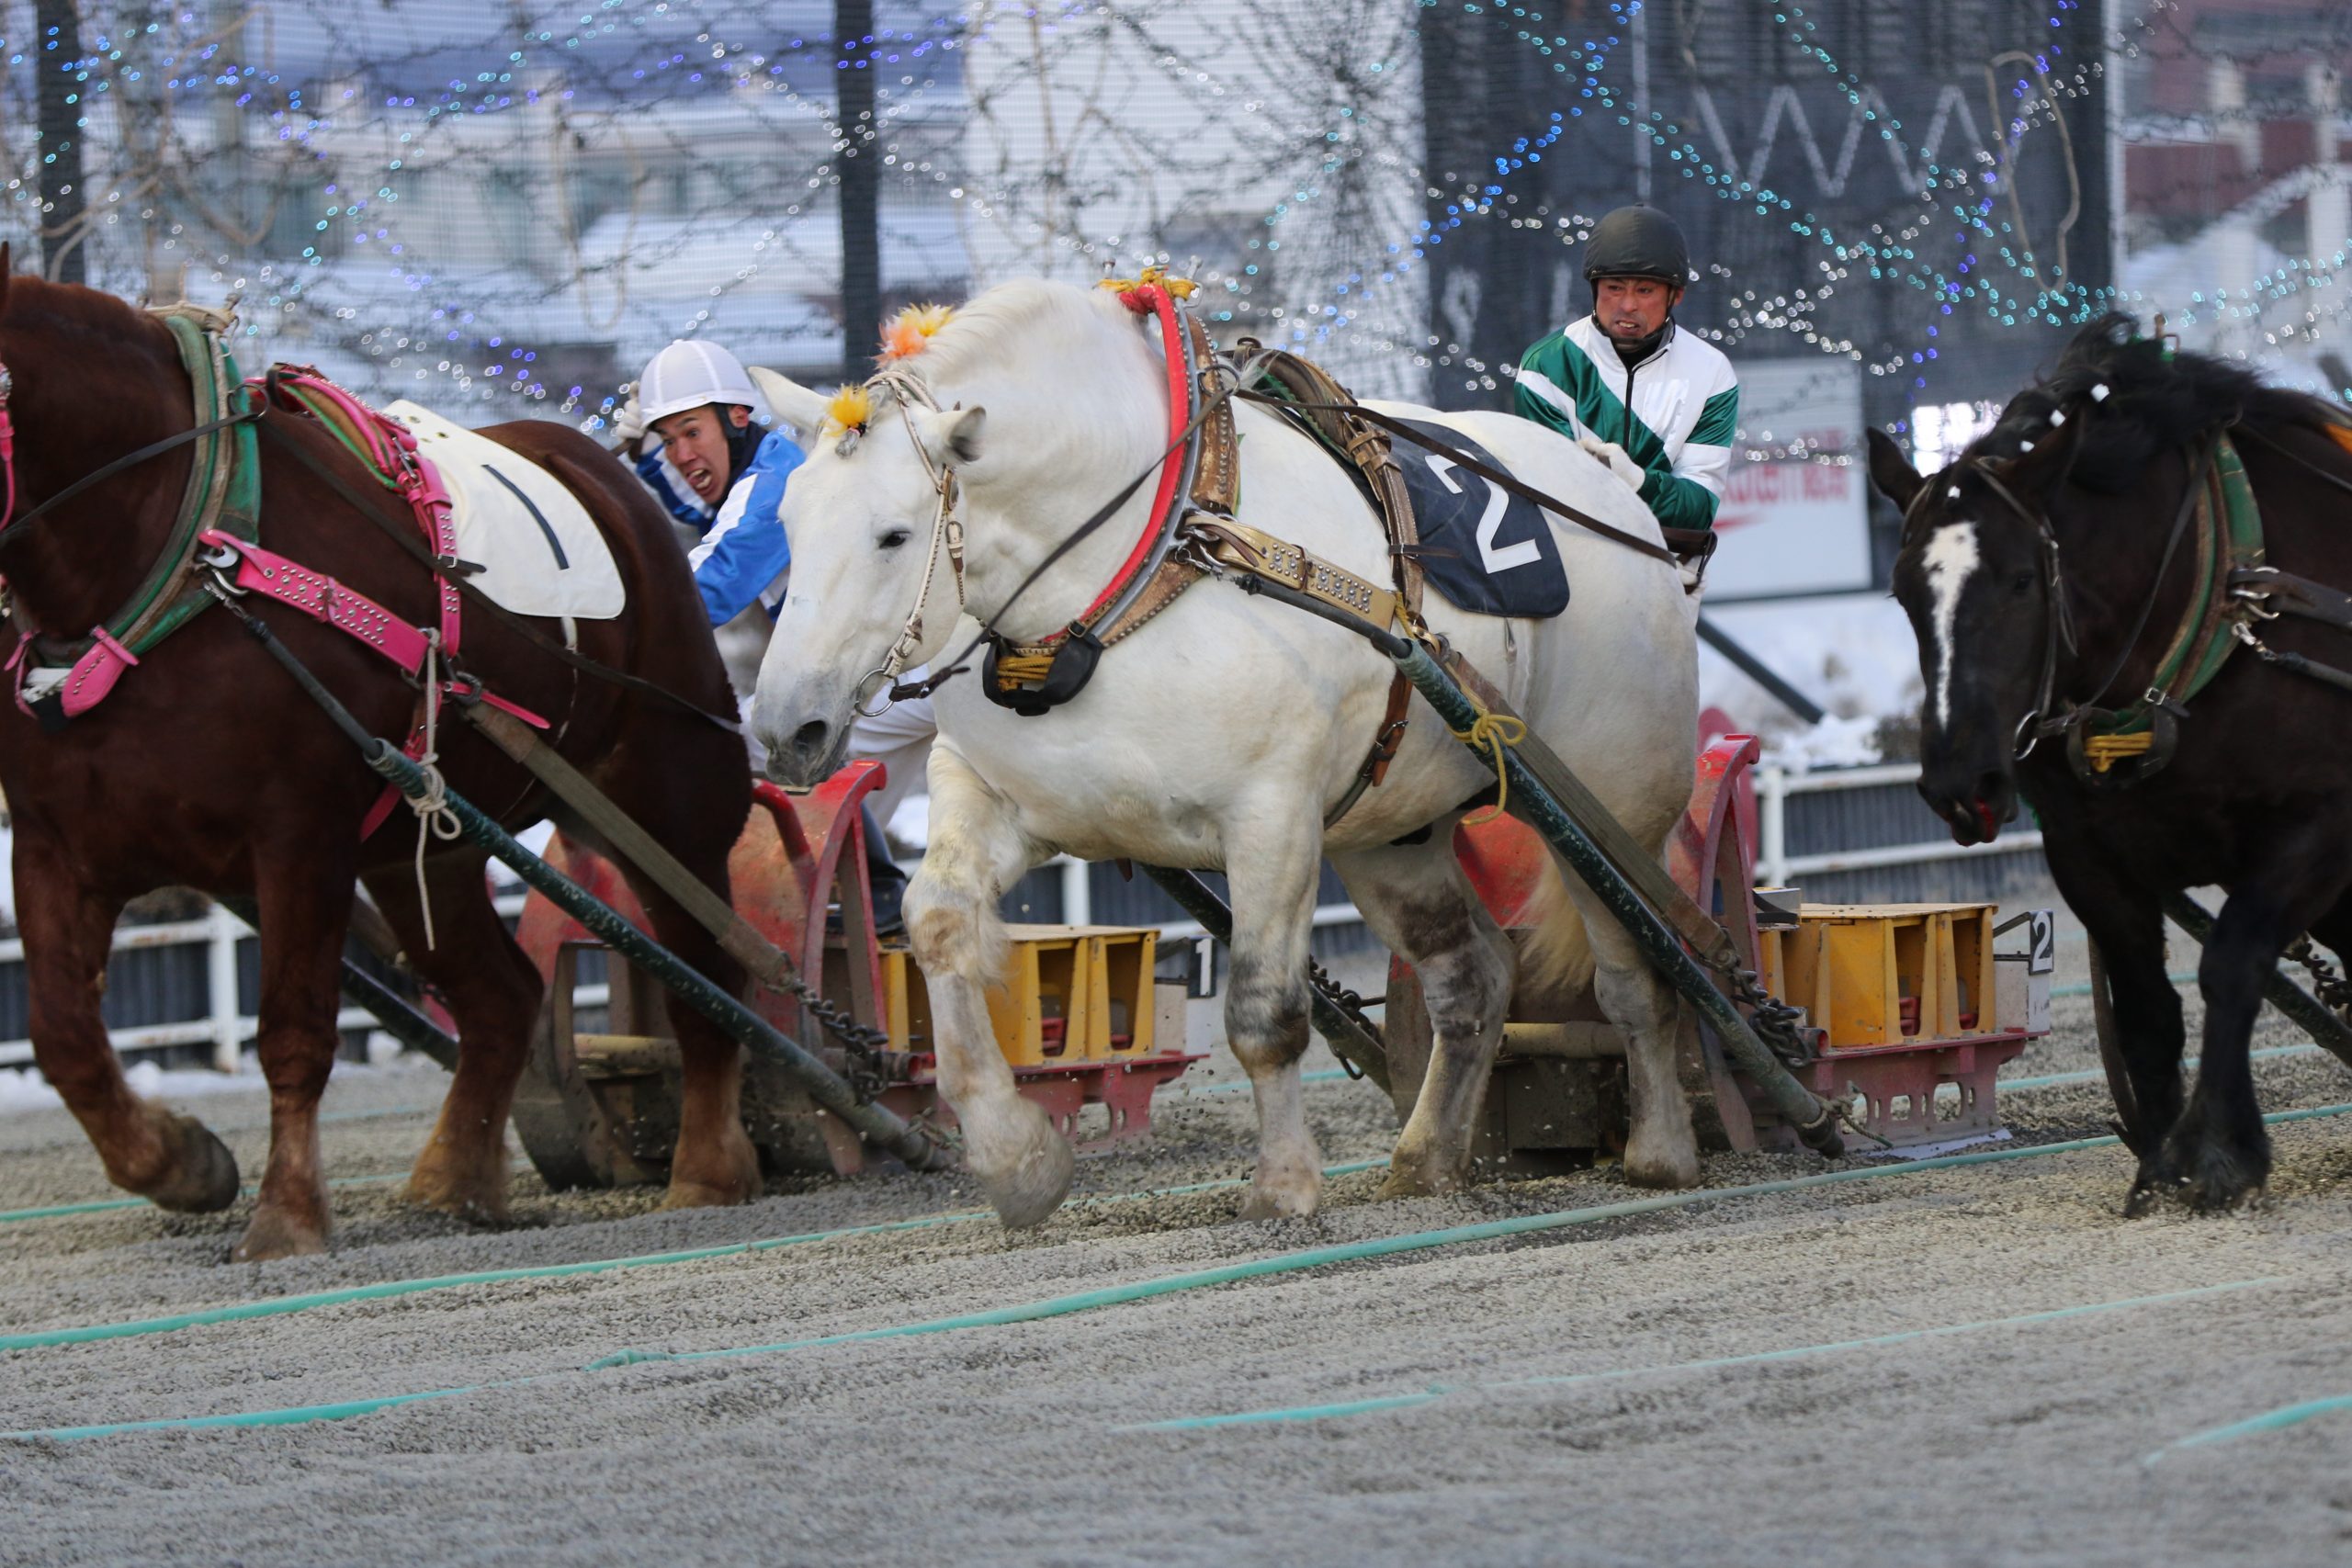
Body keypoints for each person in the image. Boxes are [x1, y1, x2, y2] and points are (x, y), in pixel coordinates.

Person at [613, 340, 928, 935]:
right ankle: (871, 891)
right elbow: (699, 506)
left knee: (746, 736)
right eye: (669, 439)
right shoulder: (764, 468)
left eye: (691, 432)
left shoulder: (774, 484)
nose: (681, 454)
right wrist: (645, 453)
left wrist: (607, 624)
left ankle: (875, 890)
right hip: (897, 673)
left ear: (739, 417)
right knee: (780, 735)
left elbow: (705, 589)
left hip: (900, 674)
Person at [1513, 205, 1740, 536]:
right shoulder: (1545, 365)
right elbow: (1553, 497)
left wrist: (1636, 481)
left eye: (1644, 291)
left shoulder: (1712, 372)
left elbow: (1698, 509)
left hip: (1667, 561)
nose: (1628, 305)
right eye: (1614, 288)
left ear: (1676, 295)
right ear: (1595, 288)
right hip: (1570, 556)